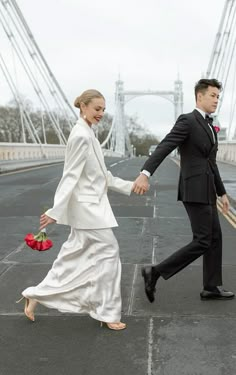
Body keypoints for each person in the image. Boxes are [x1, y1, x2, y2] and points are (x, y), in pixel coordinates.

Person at [18, 89, 134, 330]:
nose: (101, 113)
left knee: (69, 259)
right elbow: (70, 176)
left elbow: (103, 175)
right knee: (109, 252)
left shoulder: (88, 133)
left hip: (90, 209)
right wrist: (55, 210)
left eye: (103, 109)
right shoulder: (81, 136)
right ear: (83, 107)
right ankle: (108, 313)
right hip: (88, 210)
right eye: (97, 109)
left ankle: (35, 295)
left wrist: (131, 186)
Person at [132, 78, 234, 303]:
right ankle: (155, 272)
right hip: (194, 189)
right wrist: (145, 173)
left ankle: (211, 287)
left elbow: (211, 162)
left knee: (215, 238)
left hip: (207, 189)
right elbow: (165, 145)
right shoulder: (188, 121)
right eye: (212, 96)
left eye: (218, 96)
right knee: (203, 240)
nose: (217, 100)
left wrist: (222, 192)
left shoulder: (210, 125)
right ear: (199, 96)